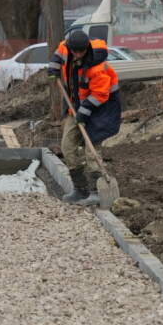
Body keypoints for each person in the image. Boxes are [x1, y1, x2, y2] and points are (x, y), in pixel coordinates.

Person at [47, 30, 121, 204]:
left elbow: (100, 95)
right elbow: (59, 53)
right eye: (75, 51)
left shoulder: (97, 67)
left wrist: (83, 113)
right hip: (76, 105)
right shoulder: (66, 48)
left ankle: (96, 191)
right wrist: (54, 66)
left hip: (101, 109)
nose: (78, 54)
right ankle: (80, 189)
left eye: (81, 51)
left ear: (87, 48)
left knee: (91, 150)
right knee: (67, 146)